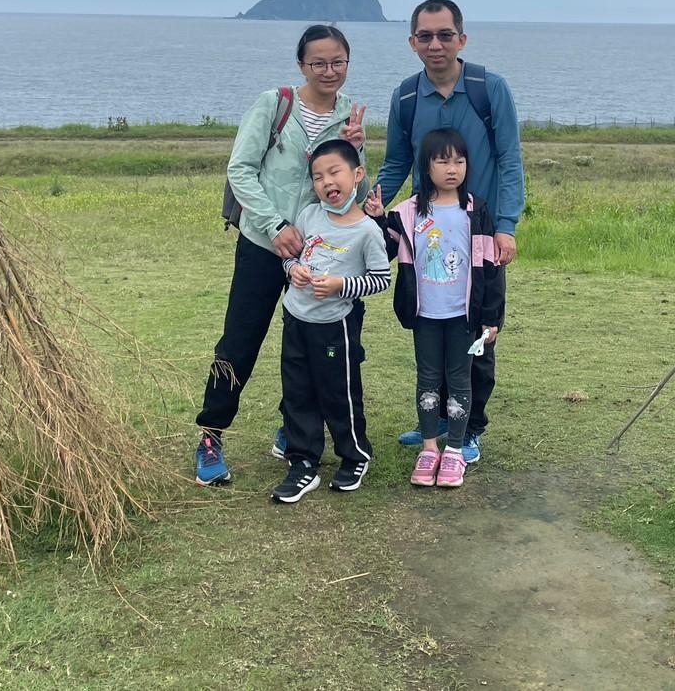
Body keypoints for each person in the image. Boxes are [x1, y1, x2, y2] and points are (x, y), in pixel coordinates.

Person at [195, 25, 366, 486]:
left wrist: (356, 149)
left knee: (309, 345)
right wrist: (275, 226)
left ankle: (293, 429)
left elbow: (350, 189)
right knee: (240, 341)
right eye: (318, 63)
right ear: (301, 65)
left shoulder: (349, 115)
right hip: (262, 243)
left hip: (318, 253)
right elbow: (241, 170)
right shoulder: (275, 104)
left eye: (338, 62)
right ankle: (210, 435)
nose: (329, 71)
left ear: (348, 63)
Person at [377, 0, 524, 465]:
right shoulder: (405, 97)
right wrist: (363, 207)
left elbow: (510, 160)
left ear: (461, 38)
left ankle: (471, 427)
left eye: (445, 35)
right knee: (433, 327)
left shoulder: (489, 89)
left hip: (480, 236)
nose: (435, 44)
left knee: (477, 332)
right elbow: (397, 163)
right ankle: (438, 419)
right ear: (412, 43)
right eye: (425, 36)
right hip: (427, 238)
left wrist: (505, 227)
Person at [367, 128, 504, 489]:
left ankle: (455, 450)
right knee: (428, 379)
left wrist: (491, 318)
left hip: (464, 316)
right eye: (442, 161)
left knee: (460, 380)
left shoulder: (476, 211)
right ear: (426, 167)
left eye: (459, 161)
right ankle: (429, 449)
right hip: (424, 315)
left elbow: (491, 269)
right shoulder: (407, 212)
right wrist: (378, 219)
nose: (452, 169)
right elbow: (383, 250)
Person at [272, 139, 391, 503]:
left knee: (338, 393)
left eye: (334, 172)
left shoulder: (367, 231)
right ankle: (303, 462)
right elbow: (290, 258)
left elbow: (381, 279)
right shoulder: (309, 215)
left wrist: (341, 285)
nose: (326, 182)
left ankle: (355, 455)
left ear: (357, 175)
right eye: (318, 176)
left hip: (334, 326)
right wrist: (293, 269)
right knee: (297, 392)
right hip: (296, 319)